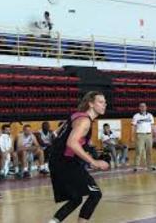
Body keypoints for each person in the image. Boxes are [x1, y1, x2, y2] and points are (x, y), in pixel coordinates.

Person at [47, 91, 110, 223]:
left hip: (57, 161)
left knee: (76, 198)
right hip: (65, 162)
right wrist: (93, 161)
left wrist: (83, 156)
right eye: (100, 102)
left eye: (105, 102)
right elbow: (72, 142)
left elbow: (56, 135)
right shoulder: (84, 121)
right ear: (91, 104)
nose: (104, 105)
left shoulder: (76, 116)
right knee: (95, 194)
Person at [131, 103, 155, 172]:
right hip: (140, 135)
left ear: (146, 107)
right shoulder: (136, 116)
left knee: (149, 151)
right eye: (141, 106)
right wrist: (132, 136)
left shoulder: (150, 115)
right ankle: (136, 166)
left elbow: (152, 126)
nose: (143, 107)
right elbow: (133, 126)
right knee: (138, 151)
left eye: (144, 106)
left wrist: (154, 134)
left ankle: (150, 165)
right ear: (139, 108)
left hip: (149, 135)